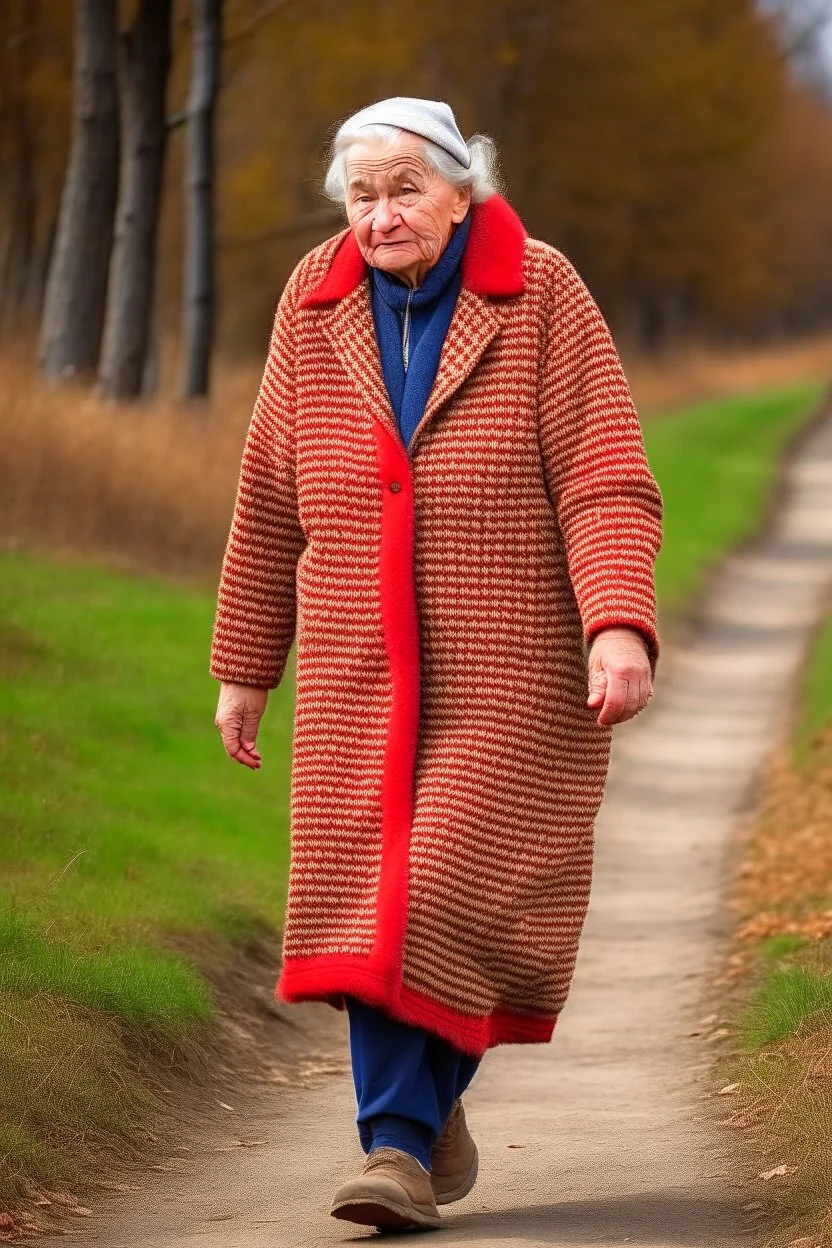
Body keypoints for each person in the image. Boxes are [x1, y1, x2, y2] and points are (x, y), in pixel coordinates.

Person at [210, 96, 663, 1231]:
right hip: (357, 670)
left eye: (405, 188)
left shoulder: (540, 290)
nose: (380, 215)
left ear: (467, 188)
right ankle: (404, 1144)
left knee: (448, 887)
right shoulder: (313, 304)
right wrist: (247, 662)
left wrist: (615, 621)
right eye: (361, 195)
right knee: (370, 904)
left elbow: (604, 470)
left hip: (507, 662)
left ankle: (404, 1133)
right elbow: (270, 496)